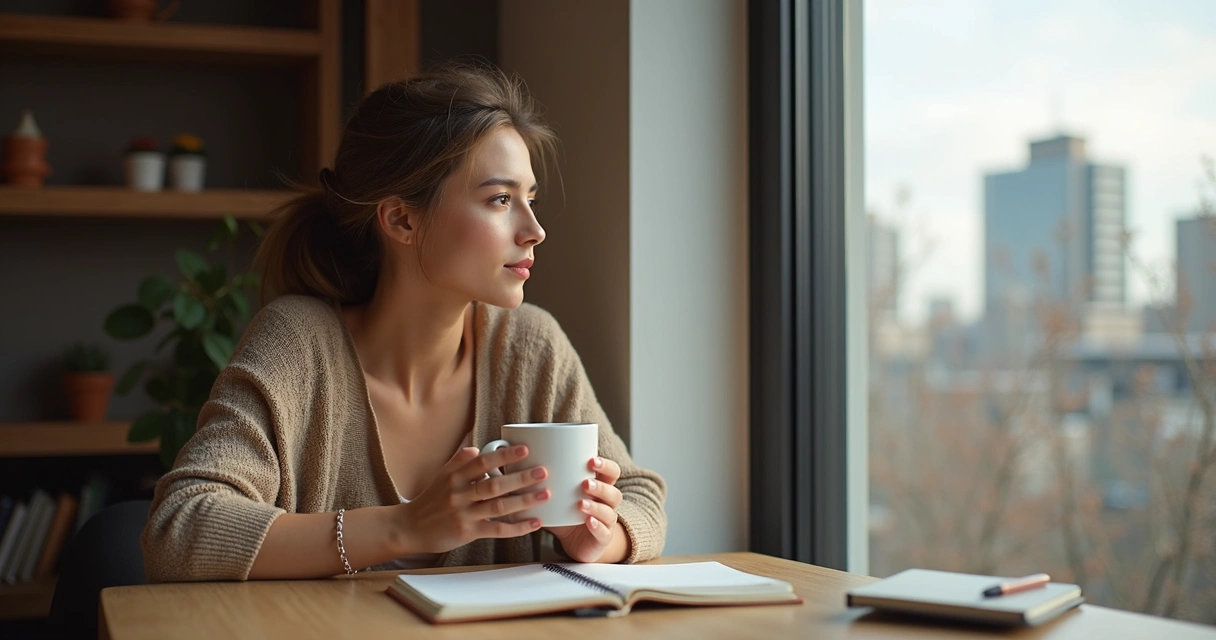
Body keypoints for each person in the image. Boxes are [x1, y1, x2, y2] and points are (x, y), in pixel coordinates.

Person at [140, 63, 667, 582]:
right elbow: (179, 528)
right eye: (501, 200)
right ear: (401, 219)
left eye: (530, 200)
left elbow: (641, 496)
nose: (534, 230)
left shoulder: (530, 344)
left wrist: (602, 537)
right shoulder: (299, 344)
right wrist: (408, 526)